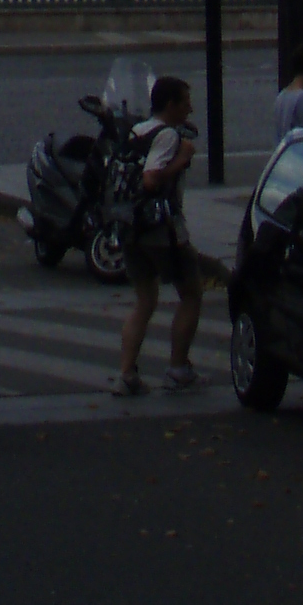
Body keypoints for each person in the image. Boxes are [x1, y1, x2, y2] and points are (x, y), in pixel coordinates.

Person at [110, 75, 203, 397]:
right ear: (172, 105)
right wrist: (181, 160)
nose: (190, 107)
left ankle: (126, 373)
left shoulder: (137, 131)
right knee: (191, 293)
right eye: (186, 101)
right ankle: (177, 369)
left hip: (130, 228)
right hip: (161, 230)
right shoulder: (167, 137)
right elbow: (151, 180)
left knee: (144, 301)